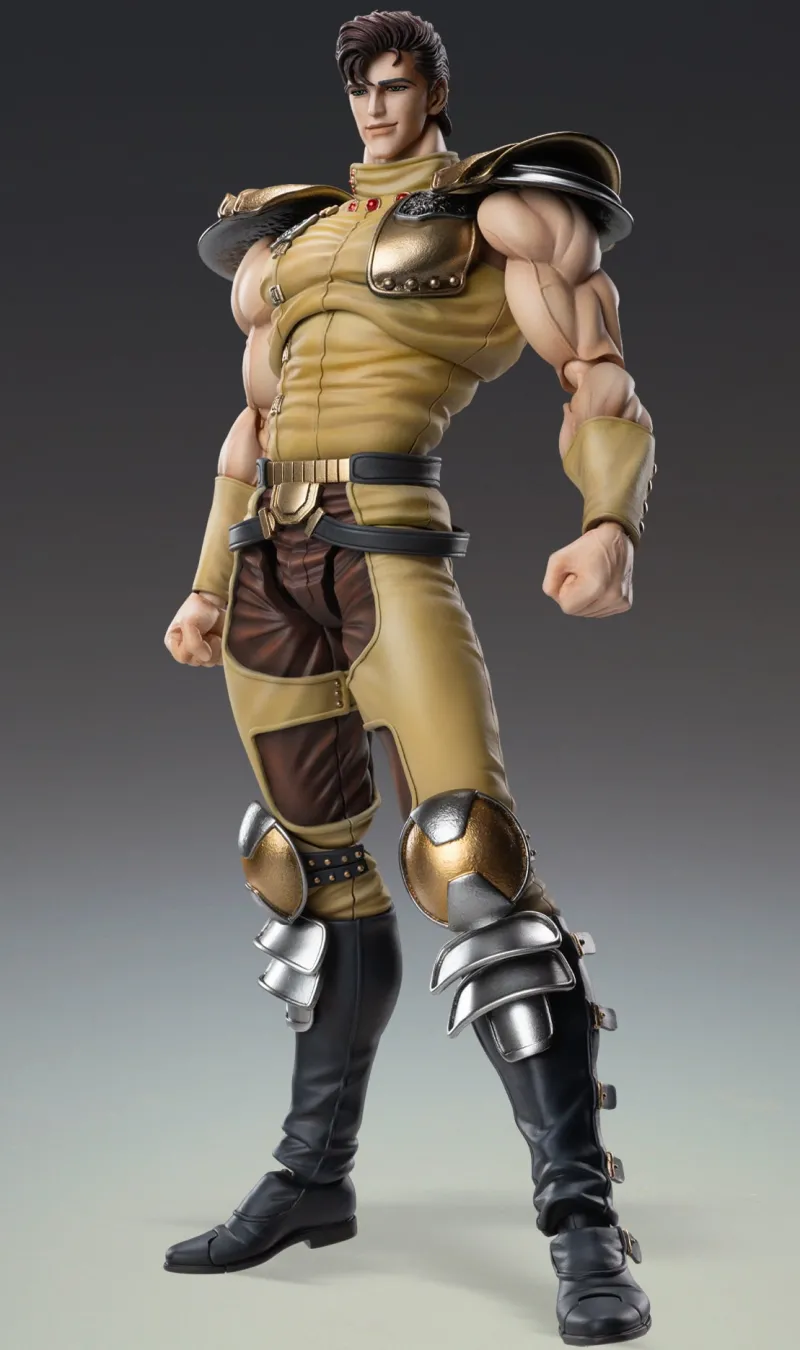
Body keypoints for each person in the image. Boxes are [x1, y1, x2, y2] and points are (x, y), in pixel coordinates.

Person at [162, 10, 655, 1345]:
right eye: (361, 88)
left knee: (470, 857)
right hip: (270, 567)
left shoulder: (501, 210)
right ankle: (312, 1178)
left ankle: (580, 1218)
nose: (377, 106)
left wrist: (610, 524)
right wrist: (205, 583)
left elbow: (596, 373)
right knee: (311, 871)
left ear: (435, 90)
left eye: (397, 84)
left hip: (387, 549)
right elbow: (251, 424)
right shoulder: (290, 239)